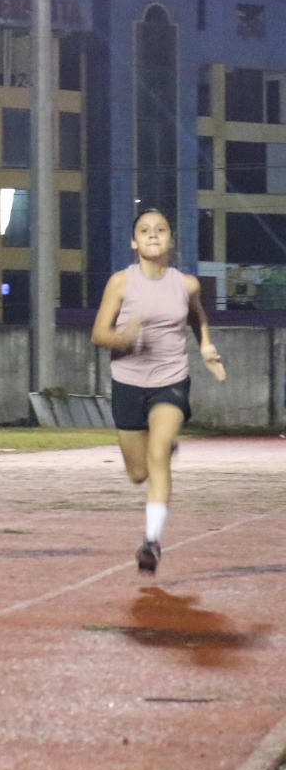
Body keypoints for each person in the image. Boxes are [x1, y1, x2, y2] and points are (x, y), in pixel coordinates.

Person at [90, 207, 226, 574]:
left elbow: (197, 315)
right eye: (145, 230)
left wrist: (206, 347)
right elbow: (98, 334)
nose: (153, 235)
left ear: (170, 240)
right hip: (128, 382)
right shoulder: (120, 282)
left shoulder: (186, 284)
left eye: (161, 230)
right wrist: (123, 337)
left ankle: (151, 541)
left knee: (159, 451)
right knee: (138, 472)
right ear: (134, 241)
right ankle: (161, 449)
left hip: (171, 379)